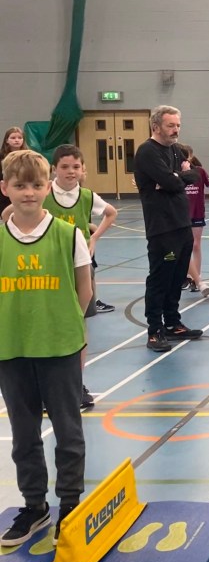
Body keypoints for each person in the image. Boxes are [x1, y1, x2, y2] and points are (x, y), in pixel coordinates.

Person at [0, 150, 91, 546]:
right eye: (19, 185)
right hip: (11, 349)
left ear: (46, 187)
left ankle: (69, 504)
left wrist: (67, 327)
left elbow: (84, 289)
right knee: (24, 435)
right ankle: (34, 507)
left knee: (68, 431)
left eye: (36, 185)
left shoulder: (68, 235)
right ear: (5, 188)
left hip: (60, 348)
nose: (29, 193)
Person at [43, 145, 117, 408]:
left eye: (76, 166)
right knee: (49, 324)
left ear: (83, 169)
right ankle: (48, 386)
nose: (71, 171)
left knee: (78, 325)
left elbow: (111, 213)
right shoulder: (44, 193)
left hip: (80, 266)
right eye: (64, 166)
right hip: (49, 267)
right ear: (54, 169)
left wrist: (94, 238)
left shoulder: (86, 196)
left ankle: (76, 383)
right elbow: (10, 214)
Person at [134, 106, 205, 352]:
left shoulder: (176, 150)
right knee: (160, 278)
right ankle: (155, 330)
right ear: (156, 127)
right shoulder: (147, 152)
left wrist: (177, 177)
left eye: (178, 125)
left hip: (182, 223)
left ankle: (173, 323)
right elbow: (171, 182)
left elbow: (194, 175)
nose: (176, 130)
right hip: (162, 227)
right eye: (170, 125)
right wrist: (175, 178)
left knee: (177, 277)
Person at [178, 143, 209, 297]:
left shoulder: (200, 171)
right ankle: (187, 276)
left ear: (191, 156)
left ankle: (196, 277)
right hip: (181, 215)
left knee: (196, 245)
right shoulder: (176, 174)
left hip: (197, 213)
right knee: (184, 247)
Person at [0, 127, 25, 215]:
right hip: (4, 191)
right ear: (7, 140)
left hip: (22, 189)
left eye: (20, 138)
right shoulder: (1, 156)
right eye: (13, 138)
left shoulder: (28, 156)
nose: (17, 140)